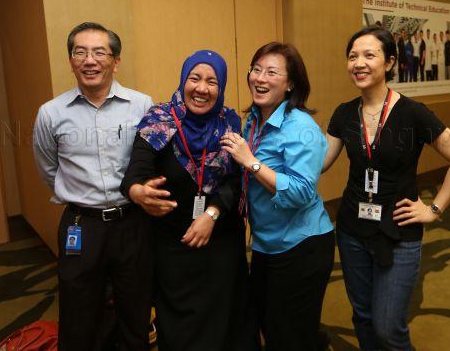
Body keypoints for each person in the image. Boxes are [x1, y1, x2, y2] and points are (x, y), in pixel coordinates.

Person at [323, 26, 450, 350]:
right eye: (352, 56)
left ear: (390, 62)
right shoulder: (344, 113)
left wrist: (434, 209)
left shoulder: (413, 114)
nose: (358, 63)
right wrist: (264, 161)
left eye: (369, 55)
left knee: (389, 327)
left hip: (399, 230)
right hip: (352, 229)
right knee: (363, 317)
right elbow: (319, 163)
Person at [120, 50, 258, 351]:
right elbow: (135, 174)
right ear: (183, 81)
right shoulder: (158, 121)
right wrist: (139, 192)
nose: (202, 88)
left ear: (220, 88)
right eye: (195, 78)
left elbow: (236, 179)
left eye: (212, 82)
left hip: (220, 240)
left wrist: (212, 213)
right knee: (182, 331)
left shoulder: (230, 122)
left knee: (226, 323)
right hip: (173, 244)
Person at [33, 22, 155, 350]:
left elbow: (150, 161)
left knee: (136, 308)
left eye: (100, 52)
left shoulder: (142, 106)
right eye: (80, 52)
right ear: (71, 60)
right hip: (81, 225)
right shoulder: (51, 113)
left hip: (132, 222)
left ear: (116, 61)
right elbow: (49, 169)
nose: (90, 60)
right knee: (79, 312)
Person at [220, 42, 334, 351]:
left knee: (290, 336)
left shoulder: (302, 128)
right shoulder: (253, 119)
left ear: (290, 83)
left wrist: (251, 162)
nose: (260, 78)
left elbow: (300, 191)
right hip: (266, 243)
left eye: (271, 72)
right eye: (256, 70)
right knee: (269, 325)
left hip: (302, 245)